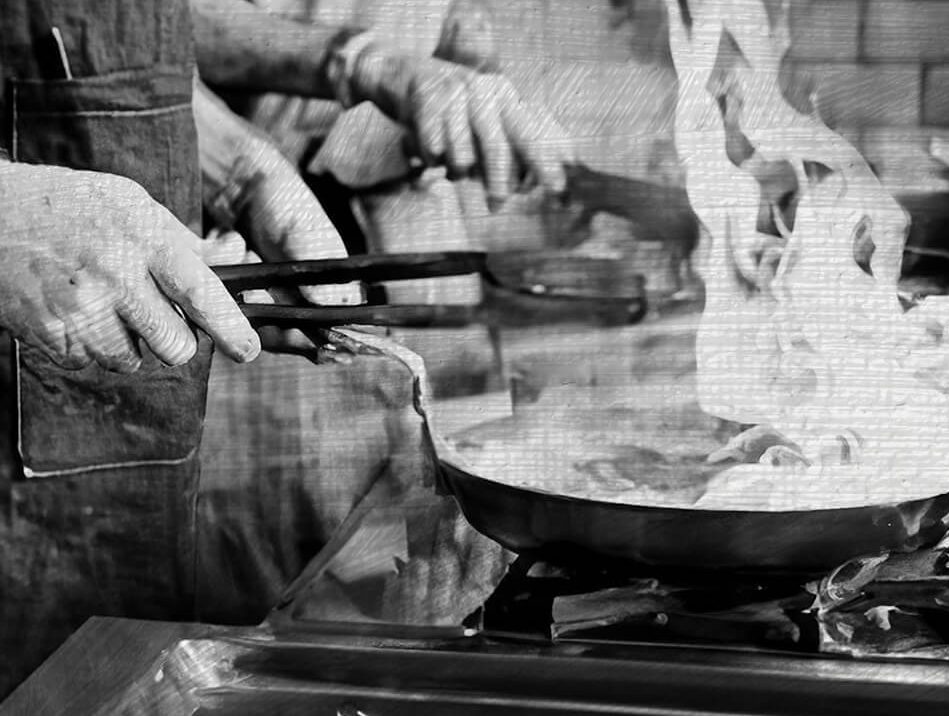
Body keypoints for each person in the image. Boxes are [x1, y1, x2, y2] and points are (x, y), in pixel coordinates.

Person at [0, 0, 570, 698]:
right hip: (23, 403)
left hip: (123, 418)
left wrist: (240, 172)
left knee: (114, 668)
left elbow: (96, 27)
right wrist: (11, 211)